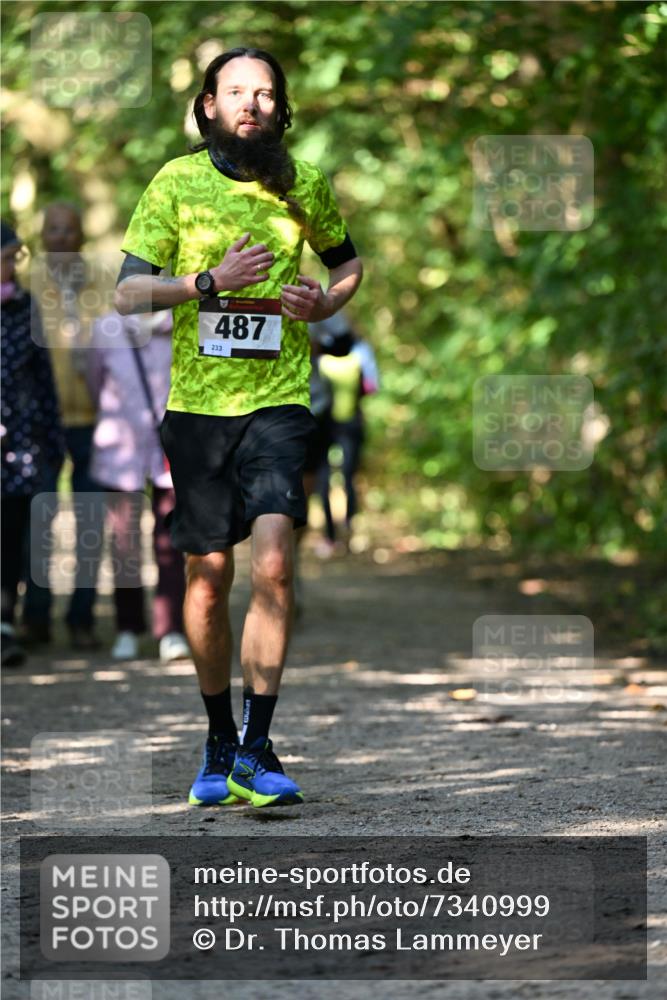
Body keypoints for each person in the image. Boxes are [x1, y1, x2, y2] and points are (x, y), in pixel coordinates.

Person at [115, 47, 362, 807]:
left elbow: (348, 264)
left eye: (264, 93)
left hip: (280, 400)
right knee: (206, 577)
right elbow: (126, 295)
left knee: (276, 564)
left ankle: (257, 747)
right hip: (197, 411)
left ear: (279, 110)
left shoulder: (304, 187)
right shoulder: (176, 184)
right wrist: (208, 282)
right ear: (208, 108)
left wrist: (326, 305)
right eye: (235, 92)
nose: (250, 103)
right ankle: (218, 737)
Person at [24, 203, 108, 650]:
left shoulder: (102, 281)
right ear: (41, 237)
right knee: (38, 518)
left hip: (95, 421)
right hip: (38, 422)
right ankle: (35, 617)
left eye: (68, 230)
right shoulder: (24, 281)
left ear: (80, 236)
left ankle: (82, 619)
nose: (60, 237)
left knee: (91, 521)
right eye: (52, 230)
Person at [86, 308, 190, 664]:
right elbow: (94, 381)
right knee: (124, 543)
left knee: (172, 540)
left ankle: (171, 630)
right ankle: (127, 628)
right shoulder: (106, 329)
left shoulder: (184, 324)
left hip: (171, 449)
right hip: (120, 449)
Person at [1, 220, 64, 666]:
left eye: (14, 258)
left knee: (17, 532)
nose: (12, 266)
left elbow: (42, 379)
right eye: (6, 258)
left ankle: (8, 623)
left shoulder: (24, 306)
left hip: (23, 440)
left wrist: (53, 441)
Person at [310, 313, 379, 553]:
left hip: (326, 420)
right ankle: (345, 529)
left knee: (325, 480)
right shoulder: (361, 351)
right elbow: (372, 386)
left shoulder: (318, 352)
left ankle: (332, 534)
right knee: (346, 477)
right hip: (346, 422)